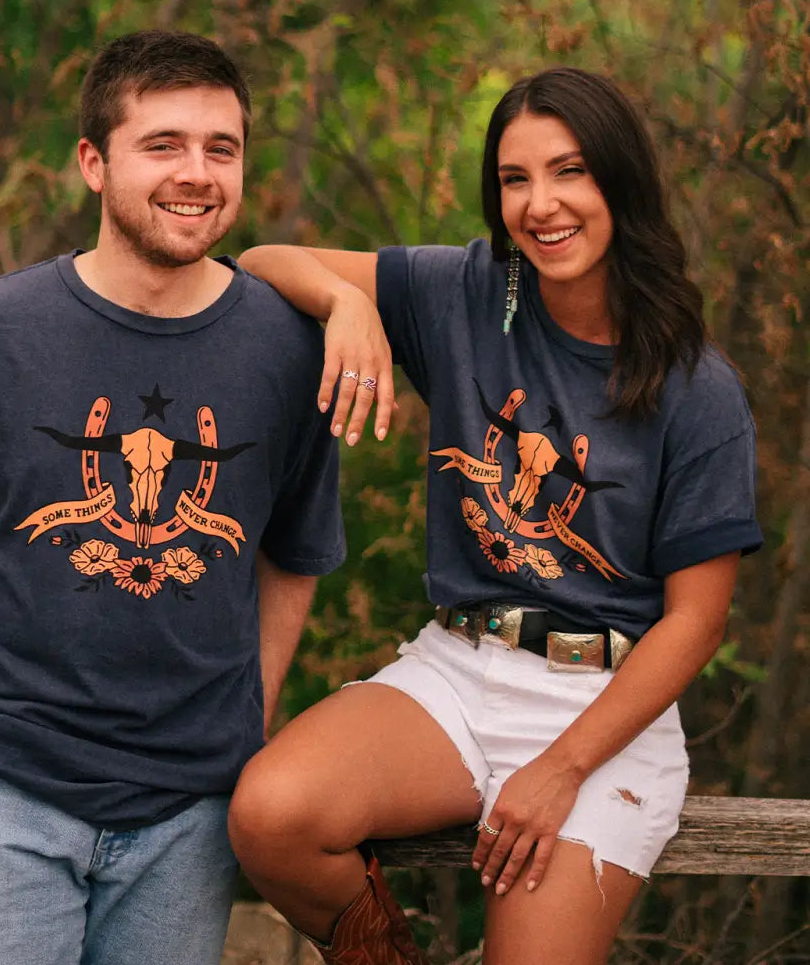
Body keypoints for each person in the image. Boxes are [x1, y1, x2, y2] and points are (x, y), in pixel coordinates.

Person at [0, 30, 345, 965]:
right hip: (1, 790)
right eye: (164, 145)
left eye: (221, 148)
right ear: (93, 164)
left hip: (190, 813)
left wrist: (244, 719)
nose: (198, 173)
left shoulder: (291, 350)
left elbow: (297, 554)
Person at [227, 67, 762, 965]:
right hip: (459, 668)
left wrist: (560, 769)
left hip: (605, 707)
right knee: (270, 816)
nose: (541, 204)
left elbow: (698, 622)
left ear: (619, 182)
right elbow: (260, 263)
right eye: (515, 180)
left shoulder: (696, 388)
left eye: (570, 172)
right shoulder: (466, 294)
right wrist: (348, 303)